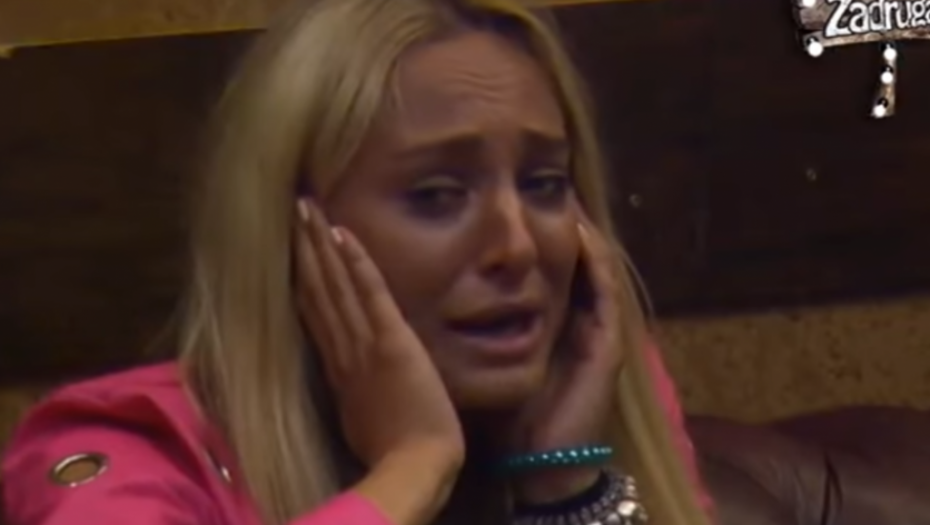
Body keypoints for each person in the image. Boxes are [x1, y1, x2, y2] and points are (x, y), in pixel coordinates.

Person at [2, 0, 714, 524]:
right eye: (438, 196)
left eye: (544, 184)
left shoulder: (588, 394)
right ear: (296, 232)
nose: (518, 245)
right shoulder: (133, 452)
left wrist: (564, 487)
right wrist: (413, 466)